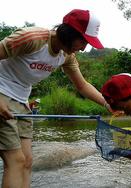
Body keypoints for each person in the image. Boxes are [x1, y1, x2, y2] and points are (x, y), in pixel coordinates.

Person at [0, 9, 112, 188]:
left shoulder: (67, 56)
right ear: (68, 32)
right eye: (83, 41)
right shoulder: (32, 38)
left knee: (27, 161)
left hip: (22, 100)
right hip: (2, 93)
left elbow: (82, 85)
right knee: (15, 161)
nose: (84, 48)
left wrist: (107, 104)